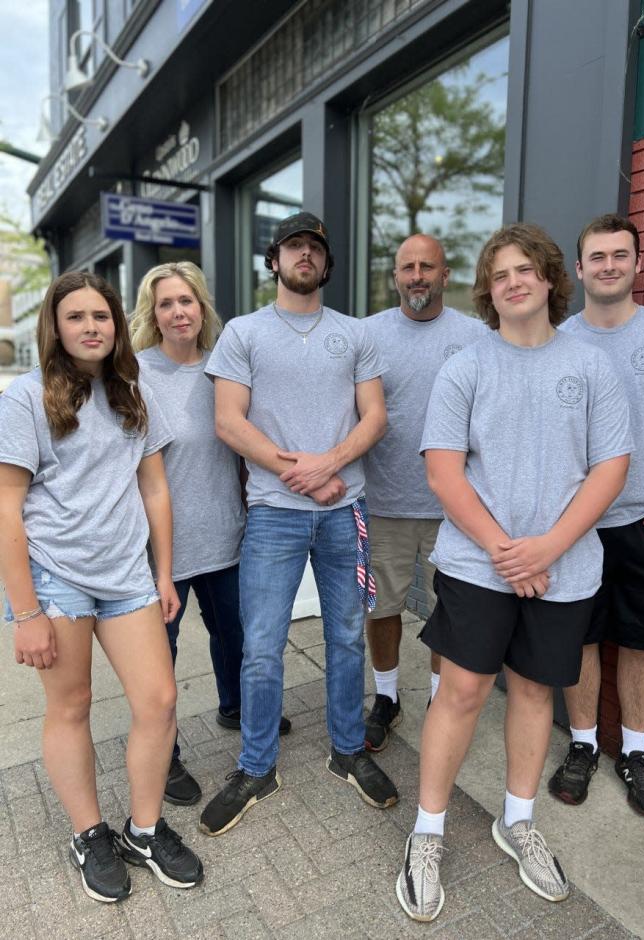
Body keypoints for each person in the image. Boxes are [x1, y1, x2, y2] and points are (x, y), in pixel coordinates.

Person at [396, 223, 632, 921]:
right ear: (488, 290)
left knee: (534, 692)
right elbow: (442, 472)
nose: (513, 282)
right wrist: (508, 550)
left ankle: (517, 819)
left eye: (525, 269)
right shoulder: (466, 367)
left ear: (551, 280)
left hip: (563, 567)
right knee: (461, 691)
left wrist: (547, 548)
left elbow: (610, 467)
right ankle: (427, 831)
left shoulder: (589, 367)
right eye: (500, 274)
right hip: (477, 563)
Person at [0, 272, 203, 904]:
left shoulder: (131, 390)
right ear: (55, 328)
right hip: (57, 579)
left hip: (127, 576)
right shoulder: (26, 398)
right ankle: (90, 833)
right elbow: (7, 507)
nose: (92, 326)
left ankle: (143, 829)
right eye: (77, 316)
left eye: (102, 316)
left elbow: (155, 488)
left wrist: (163, 573)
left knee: (160, 699)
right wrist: (25, 610)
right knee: (72, 706)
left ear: (117, 324)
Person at [199, 211, 399, 837]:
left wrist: (331, 465)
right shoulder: (243, 332)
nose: (304, 255)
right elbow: (229, 421)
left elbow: (374, 418)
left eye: (315, 246)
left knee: (345, 638)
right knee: (260, 647)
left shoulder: (356, 334)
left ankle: (347, 750)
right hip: (274, 517)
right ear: (275, 259)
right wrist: (304, 473)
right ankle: (256, 766)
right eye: (293, 247)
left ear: (326, 261)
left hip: (346, 514)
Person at [548, 214, 644, 817]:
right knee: (580, 638)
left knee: (641, 644)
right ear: (579, 268)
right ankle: (584, 746)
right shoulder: (558, 340)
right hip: (574, 525)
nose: (609, 265)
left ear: (639, 264)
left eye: (621, 255)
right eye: (597, 256)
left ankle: (636, 755)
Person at [130, 261, 291, 807]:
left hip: (226, 535)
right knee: (160, 658)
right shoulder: (134, 373)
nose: (179, 312)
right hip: (161, 552)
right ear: (153, 313)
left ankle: (237, 709)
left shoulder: (225, 367)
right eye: (167, 303)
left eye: (187, 301)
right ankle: (166, 755)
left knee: (235, 638)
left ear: (203, 308)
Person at [363, 234, 486, 750]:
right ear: (395, 276)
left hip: (454, 507)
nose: (417, 275)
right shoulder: (365, 335)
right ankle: (386, 697)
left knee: (448, 611)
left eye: (427, 267)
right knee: (381, 607)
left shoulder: (478, 335)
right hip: (381, 501)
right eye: (407, 267)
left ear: (445, 275)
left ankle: (439, 698)